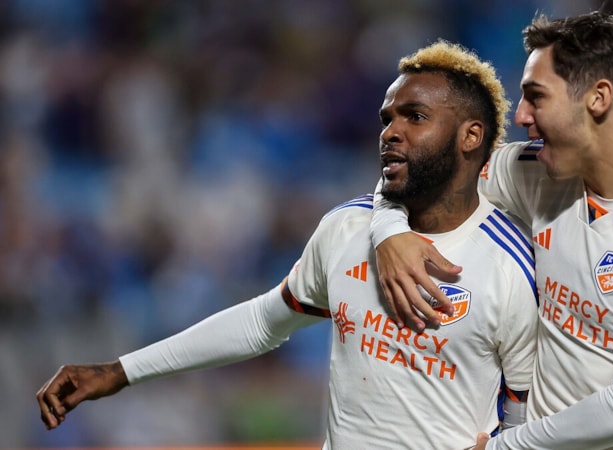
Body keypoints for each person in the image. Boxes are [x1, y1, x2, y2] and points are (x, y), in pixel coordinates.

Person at [36, 40, 540, 449]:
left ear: (471, 136)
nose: (391, 132)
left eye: (415, 117)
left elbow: (523, 424)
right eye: (388, 118)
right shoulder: (346, 228)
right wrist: (120, 371)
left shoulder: (511, 267)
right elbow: (262, 323)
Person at [370, 11, 613, 450]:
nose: (521, 115)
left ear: (598, 98)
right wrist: (388, 229)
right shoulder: (534, 171)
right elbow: (424, 167)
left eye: (536, 97)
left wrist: (505, 447)